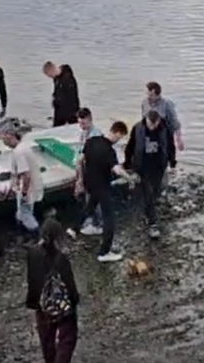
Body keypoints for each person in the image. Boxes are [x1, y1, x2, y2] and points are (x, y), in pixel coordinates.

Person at [74, 112, 126, 263]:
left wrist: (80, 180)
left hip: (90, 183)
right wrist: (129, 178)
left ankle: (74, 229)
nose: (119, 140)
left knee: (90, 206)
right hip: (102, 186)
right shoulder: (109, 151)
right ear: (117, 133)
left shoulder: (92, 141)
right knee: (109, 219)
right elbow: (116, 170)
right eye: (121, 137)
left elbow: (80, 160)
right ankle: (104, 252)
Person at [26, 219, 80, 363]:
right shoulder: (61, 259)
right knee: (67, 339)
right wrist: (74, 302)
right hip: (62, 308)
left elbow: (32, 280)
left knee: (47, 340)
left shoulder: (32, 253)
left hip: (42, 306)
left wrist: (34, 303)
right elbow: (69, 285)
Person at [124, 110, 177, 239]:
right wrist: (127, 163)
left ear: (158, 121)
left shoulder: (165, 129)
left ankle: (148, 209)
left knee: (154, 191)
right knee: (148, 192)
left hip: (158, 166)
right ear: (146, 120)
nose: (151, 127)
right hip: (142, 166)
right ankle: (153, 224)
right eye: (149, 124)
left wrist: (172, 163)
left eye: (154, 125)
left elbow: (171, 146)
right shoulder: (138, 128)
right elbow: (130, 146)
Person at [1, 126, 43, 237]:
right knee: (20, 214)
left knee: (26, 215)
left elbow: (26, 175)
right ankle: (22, 233)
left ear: (10, 136)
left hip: (27, 189)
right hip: (31, 187)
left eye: (4, 139)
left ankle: (36, 235)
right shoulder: (24, 147)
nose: (3, 143)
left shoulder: (19, 152)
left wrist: (24, 193)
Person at [142, 81, 184, 152]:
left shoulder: (167, 104)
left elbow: (175, 124)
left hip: (165, 138)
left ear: (158, 95)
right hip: (149, 138)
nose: (148, 97)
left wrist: (178, 140)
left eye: (151, 95)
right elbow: (143, 122)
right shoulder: (144, 103)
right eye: (147, 94)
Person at [43, 62, 81, 127]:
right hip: (59, 109)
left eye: (50, 75)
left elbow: (72, 96)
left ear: (52, 70)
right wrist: (55, 100)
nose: (50, 77)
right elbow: (57, 91)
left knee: (75, 127)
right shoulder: (56, 78)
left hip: (70, 109)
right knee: (56, 128)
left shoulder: (68, 78)